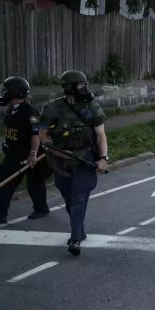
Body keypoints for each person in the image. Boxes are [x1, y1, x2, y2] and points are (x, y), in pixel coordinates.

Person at [39, 70, 108, 256]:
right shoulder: (52, 108)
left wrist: (103, 158)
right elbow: (43, 132)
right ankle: (79, 229)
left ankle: (75, 239)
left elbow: (101, 135)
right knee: (69, 198)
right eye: (80, 85)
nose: (84, 89)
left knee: (78, 198)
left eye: (85, 85)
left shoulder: (91, 106)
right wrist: (52, 149)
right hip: (61, 160)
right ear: (69, 88)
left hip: (85, 159)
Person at [0, 76, 50, 223]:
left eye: (6, 90)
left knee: (33, 182)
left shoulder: (30, 113)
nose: (3, 93)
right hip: (13, 154)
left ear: (14, 92)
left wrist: (32, 155)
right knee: (4, 180)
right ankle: (0, 214)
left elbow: (35, 135)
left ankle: (41, 209)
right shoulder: (11, 110)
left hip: (28, 154)